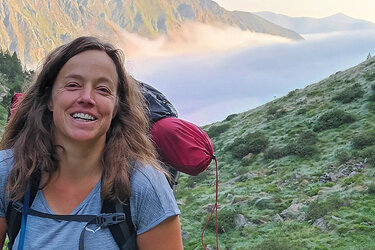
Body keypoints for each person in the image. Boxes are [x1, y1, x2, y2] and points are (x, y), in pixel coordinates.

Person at [0, 36, 183, 249]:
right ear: (49, 99)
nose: (87, 97)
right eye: (72, 85)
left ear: (116, 107)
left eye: (103, 89)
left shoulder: (144, 186)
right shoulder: (8, 172)